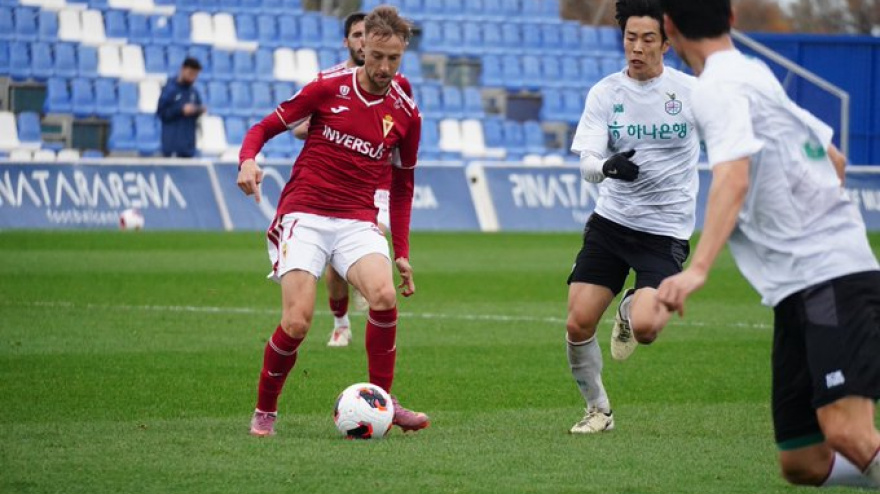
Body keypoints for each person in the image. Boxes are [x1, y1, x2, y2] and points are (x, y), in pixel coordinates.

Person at [657, 0, 880, 488]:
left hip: (827, 278)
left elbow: (733, 177)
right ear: (732, 18)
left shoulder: (716, 88)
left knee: (849, 434)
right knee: (802, 460)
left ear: (668, 29)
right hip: (798, 285)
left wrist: (697, 269)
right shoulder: (753, 72)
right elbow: (834, 159)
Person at [236, 5, 428, 437]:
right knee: (298, 322)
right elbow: (264, 127)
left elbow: (403, 187)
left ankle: (383, 400)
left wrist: (402, 253)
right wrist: (248, 160)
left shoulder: (406, 114)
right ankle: (266, 408)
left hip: (357, 219)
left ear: (402, 54)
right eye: (375, 55)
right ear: (362, 46)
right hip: (304, 213)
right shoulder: (327, 88)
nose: (383, 66)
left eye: (392, 59)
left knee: (383, 296)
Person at [565, 0, 700, 434]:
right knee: (577, 322)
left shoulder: (691, 93)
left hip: (664, 231)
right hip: (611, 222)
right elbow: (586, 159)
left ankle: (628, 310)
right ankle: (598, 410)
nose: (636, 48)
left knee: (645, 328)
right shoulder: (606, 93)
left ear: (666, 43)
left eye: (647, 39)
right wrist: (606, 167)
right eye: (630, 38)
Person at [292, 11, 413, 348]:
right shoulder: (329, 80)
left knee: (376, 235)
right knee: (334, 267)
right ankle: (341, 322)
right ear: (349, 41)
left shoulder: (399, 85)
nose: (364, 41)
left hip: (377, 184)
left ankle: (369, 282)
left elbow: (399, 129)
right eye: (358, 35)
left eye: (367, 34)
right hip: (333, 185)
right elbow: (299, 125)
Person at [156, 57, 206, 158]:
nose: (193, 77)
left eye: (195, 75)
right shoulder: (170, 89)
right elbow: (162, 113)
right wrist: (180, 110)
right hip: (172, 147)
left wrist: (198, 110)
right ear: (183, 69)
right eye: (191, 73)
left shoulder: (194, 92)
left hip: (188, 148)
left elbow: (197, 109)